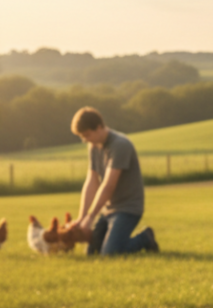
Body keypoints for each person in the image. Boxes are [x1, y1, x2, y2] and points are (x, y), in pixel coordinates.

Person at [66, 107, 159, 256]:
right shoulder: (94, 146)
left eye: (87, 135)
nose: (85, 140)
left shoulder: (120, 145)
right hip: (108, 210)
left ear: (98, 127)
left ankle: (145, 238)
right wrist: (82, 217)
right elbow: (92, 181)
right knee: (92, 252)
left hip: (128, 208)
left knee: (110, 253)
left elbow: (109, 185)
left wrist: (91, 217)